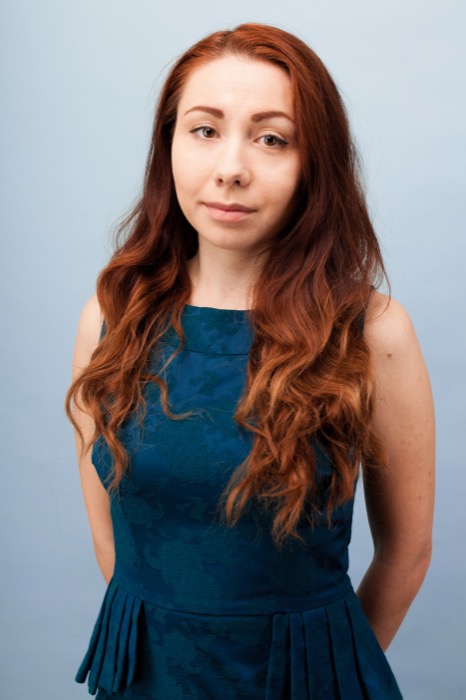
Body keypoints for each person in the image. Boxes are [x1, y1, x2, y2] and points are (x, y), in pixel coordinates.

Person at [66, 22, 435, 699]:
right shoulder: (110, 317)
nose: (231, 167)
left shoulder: (373, 331)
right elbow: (111, 539)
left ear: (313, 163)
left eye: (271, 139)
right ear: (169, 146)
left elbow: (406, 554)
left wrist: (329, 672)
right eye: (205, 130)